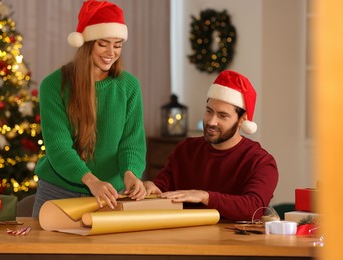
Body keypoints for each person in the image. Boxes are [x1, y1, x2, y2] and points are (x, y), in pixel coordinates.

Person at [32, 0, 147, 217]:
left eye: (118, 44)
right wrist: (91, 180)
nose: (111, 52)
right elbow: (59, 148)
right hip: (58, 192)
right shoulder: (54, 85)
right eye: (103, 44)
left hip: (110, 195)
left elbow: (132, 142)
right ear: (86, 44)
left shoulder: (129, 86)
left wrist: (131, 173)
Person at [144, 70, 279, 221]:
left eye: (222, 115)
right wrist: (150, 187)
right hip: (184, 239)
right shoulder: (185, 149)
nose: (211, 122)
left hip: (233, 241)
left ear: (242, 120)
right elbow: (161, 187)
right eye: (209, 111)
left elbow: (254, 208)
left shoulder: (261, 161)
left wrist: (204, 196)